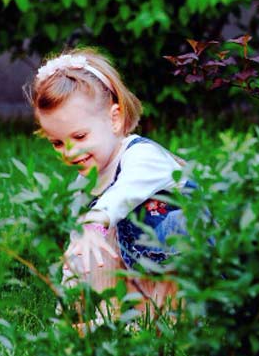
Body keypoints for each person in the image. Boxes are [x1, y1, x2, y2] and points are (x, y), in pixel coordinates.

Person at [26, 48, 193, 311]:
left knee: (104, 224)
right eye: (57, 143)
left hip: (190, 275)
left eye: (79, 137)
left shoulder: (143, 158)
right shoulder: (88, 184)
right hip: (144, 270)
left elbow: (121, 196)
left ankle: (150, 319)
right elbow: (78, 243)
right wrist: (69, 302)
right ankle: (111, 317)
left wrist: (95, 223)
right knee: (96, 238)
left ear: (114, 119)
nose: (69, 152)